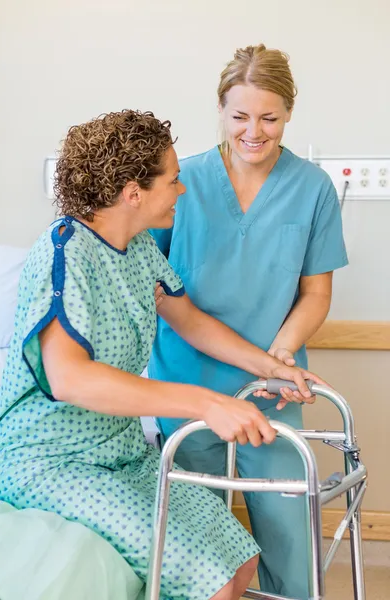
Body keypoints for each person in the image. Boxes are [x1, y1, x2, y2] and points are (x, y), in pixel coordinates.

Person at [0, 110, 324, 600]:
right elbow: (69, 379)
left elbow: (189, 320)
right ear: (132, 192)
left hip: (120, 455)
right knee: (207, 579)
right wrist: (205, 403)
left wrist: (271, 366)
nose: (182, 190)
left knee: (240, 555)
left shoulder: (140, 247)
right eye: (173, 180)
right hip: (50, 461)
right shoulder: (64, 252)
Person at [150, 44, 348, 599]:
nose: (253, 131)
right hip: (187, 386)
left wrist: (281, 357)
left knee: (290, 541)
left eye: (269, 117)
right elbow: (163, 295)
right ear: (220, 110)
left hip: (273, 390)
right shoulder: (180, 182)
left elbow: (315, 292)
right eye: (239, 116)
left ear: (289, 114)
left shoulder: (312, 189)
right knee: (198, 550)